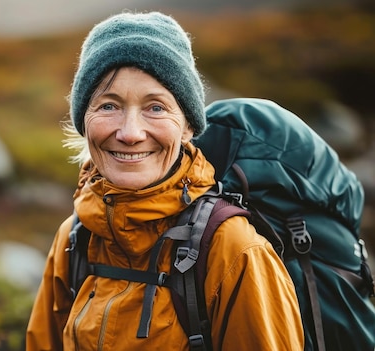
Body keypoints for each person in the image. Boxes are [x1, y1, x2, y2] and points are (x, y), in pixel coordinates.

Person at [25, 11, 304, 351]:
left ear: (187, 127)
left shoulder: (233, 252)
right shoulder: (75, 237)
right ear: (84, 120)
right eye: (109, 105)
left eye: (155, 108)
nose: (129, 133)